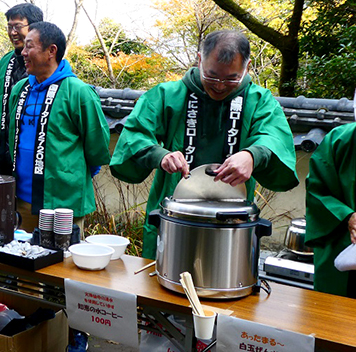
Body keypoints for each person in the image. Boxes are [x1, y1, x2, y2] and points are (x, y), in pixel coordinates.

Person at [110, 30, 298, 259]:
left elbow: (273, 137)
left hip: (234, 219)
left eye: (231, 78)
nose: (219, 86)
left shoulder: (259, 101)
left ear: (246, 68)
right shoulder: (167, 94)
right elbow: (135, 134)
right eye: (212, 76)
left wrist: (252, 155)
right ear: (199, 60)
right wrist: (160, 155)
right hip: (172, 215)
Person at [8, 21, 111, 232]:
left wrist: (72, 175)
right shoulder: (20, 89)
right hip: (22, 201)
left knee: (62, 262)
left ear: (51, 51)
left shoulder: (78, 92)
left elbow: (97, 147)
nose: (23, 53)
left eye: (30, 46)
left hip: (63, 203)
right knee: (22, 259)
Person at [306, 75, 356, 299]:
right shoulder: (337, 140)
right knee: (337, 316)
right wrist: (347, 216)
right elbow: (316, 190)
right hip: (341, 240)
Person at [0, 3, 44, 175]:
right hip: (5, 153)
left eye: (17, 27)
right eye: (9, 27)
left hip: (34, 152)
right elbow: (1, 110)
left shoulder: (46, 63)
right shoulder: (5, 62)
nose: (12, 32)